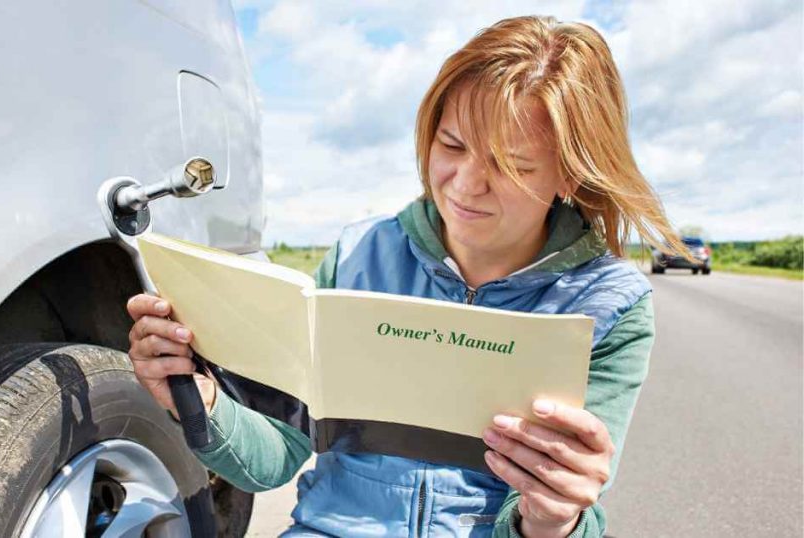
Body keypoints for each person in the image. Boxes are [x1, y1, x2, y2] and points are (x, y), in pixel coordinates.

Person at [126, 15, 692, 538]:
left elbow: (570, 510)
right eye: (452, 145)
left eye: (512, 166)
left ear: (570, 174)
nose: (465, 185)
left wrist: (553, 518)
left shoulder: (610, 305)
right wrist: (195, 395)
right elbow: (275, 456)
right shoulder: (358, 255)